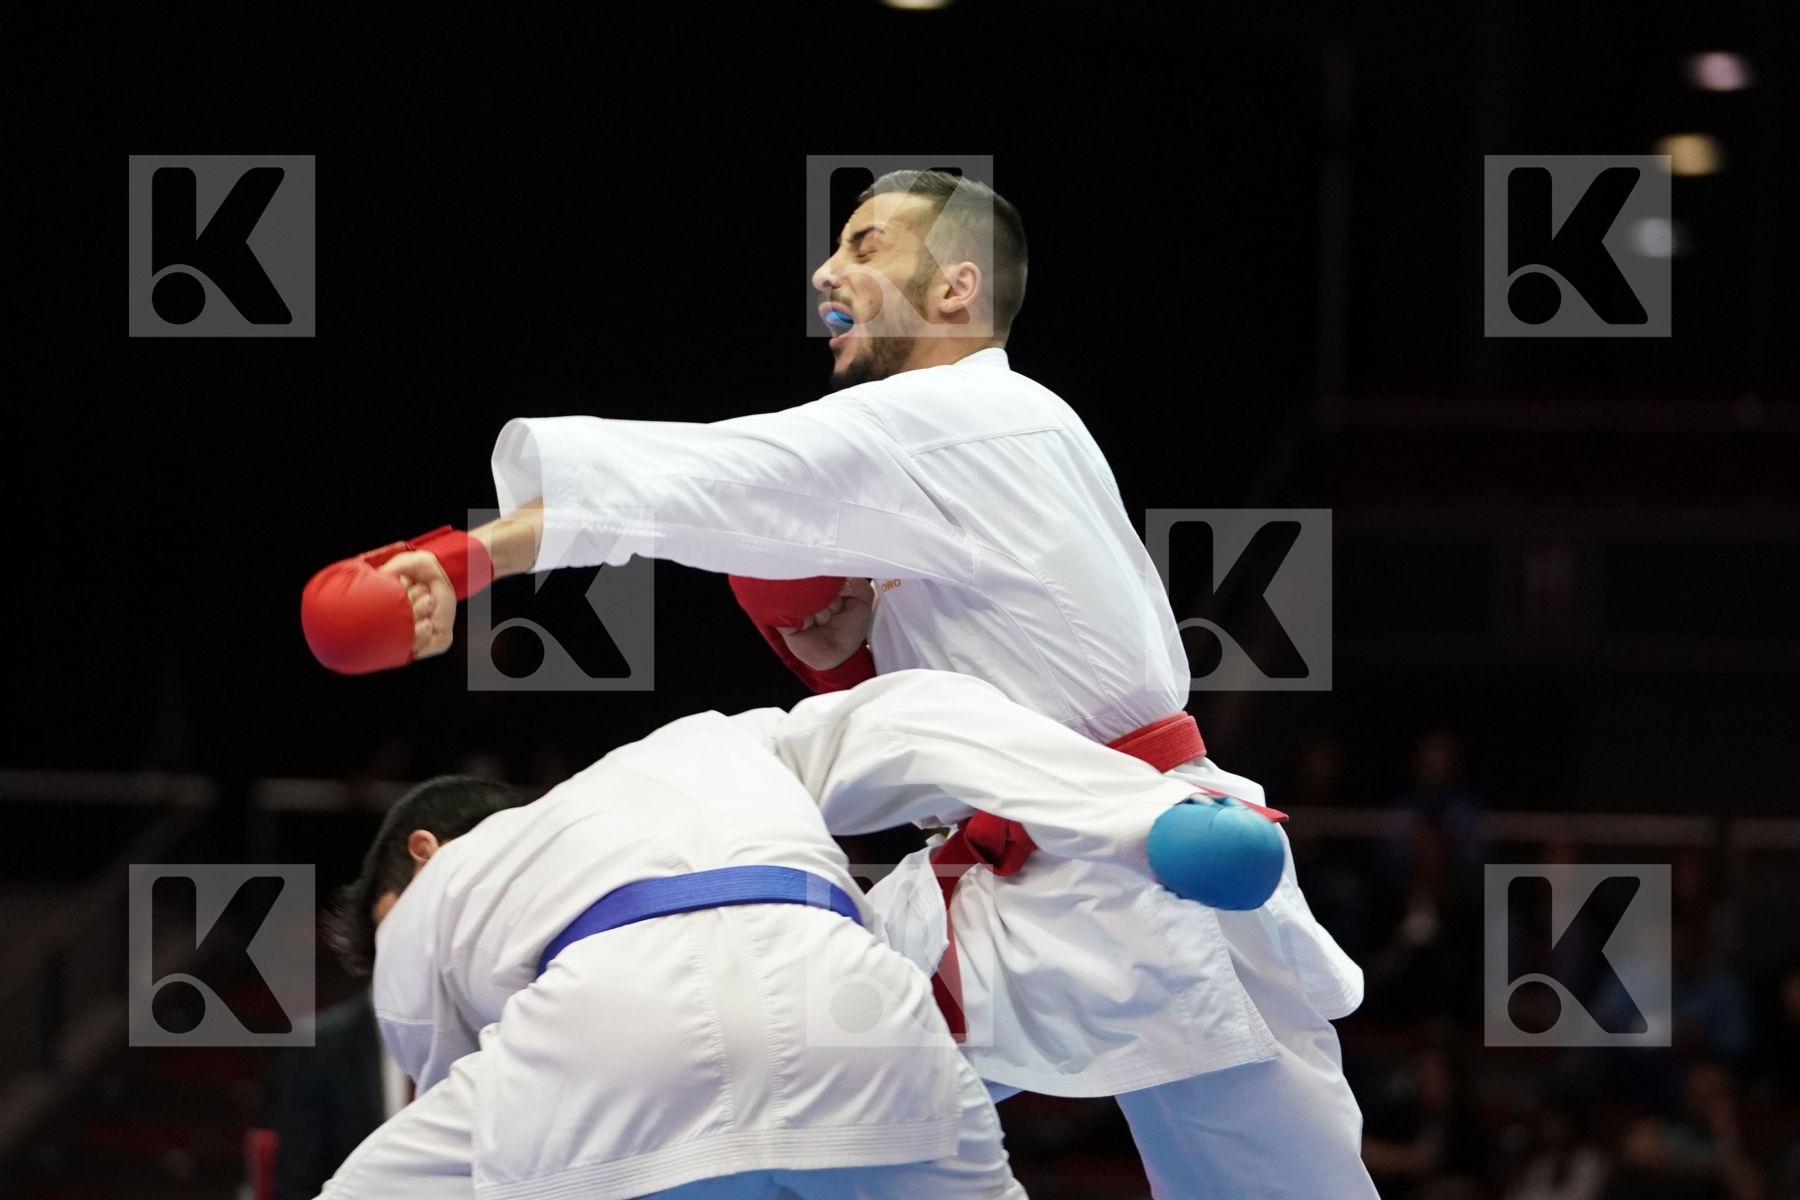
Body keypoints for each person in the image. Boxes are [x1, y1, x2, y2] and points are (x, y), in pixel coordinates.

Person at [302, 168, 1373, 1197]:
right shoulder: (929, 466)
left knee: (766, 1070)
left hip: (1127, 863)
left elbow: (701, 479)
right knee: (783, 1060)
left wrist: (462, 558)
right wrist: (848, 639)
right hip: (1042, 869)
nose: (826, 272)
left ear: (957, 288)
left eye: (866, 245)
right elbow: (896, 689)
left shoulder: (959, 416)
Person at [312, 668, 1248, 1200]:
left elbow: (446, 1081)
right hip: (848, 1008)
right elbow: (920, 718)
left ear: (423, 855)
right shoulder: (713, 738)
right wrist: (1138, 813)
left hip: (605, 1039)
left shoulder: (442, 886)